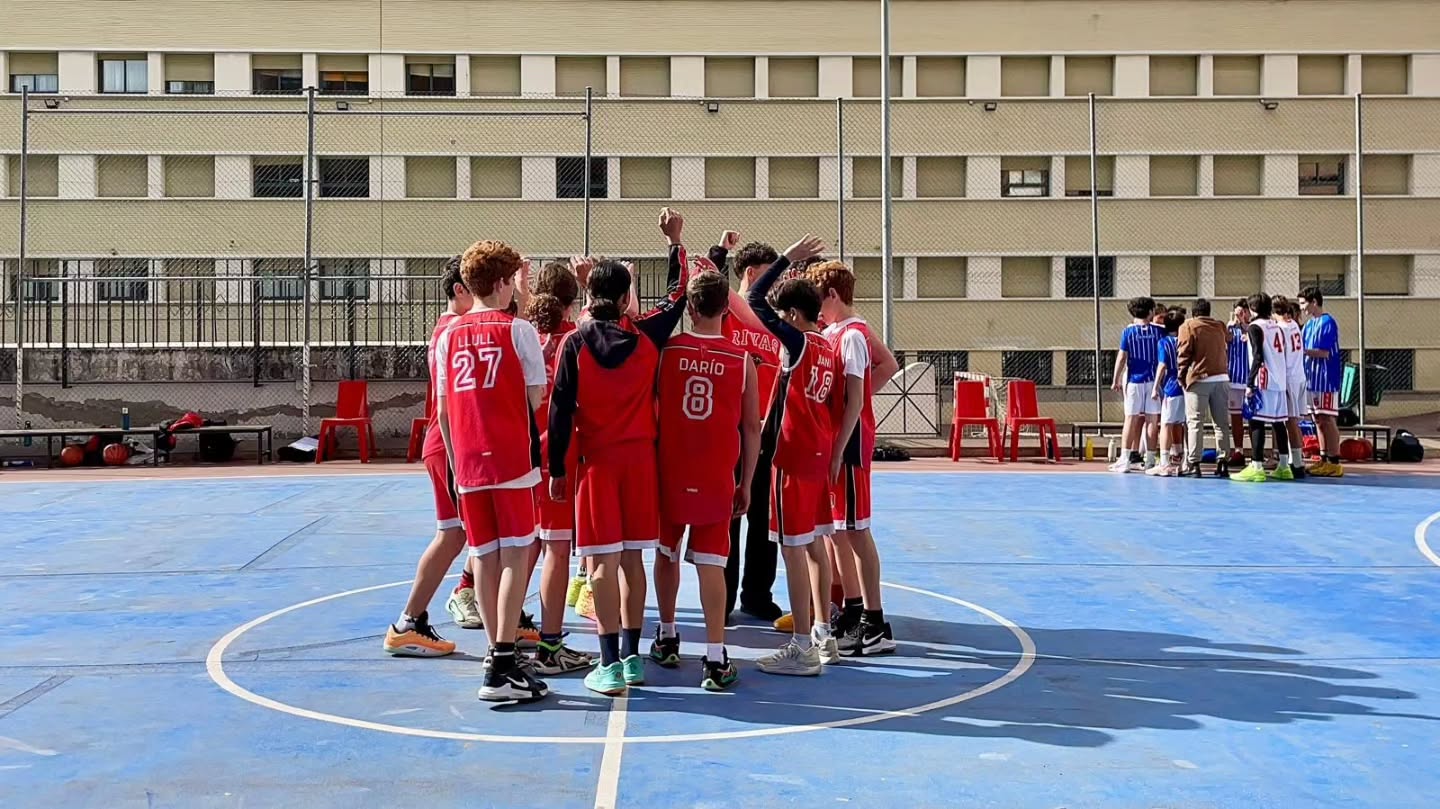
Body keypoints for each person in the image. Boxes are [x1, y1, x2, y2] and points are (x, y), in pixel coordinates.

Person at [548, 209, 690, 697]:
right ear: (627, 295)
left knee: (601, 563)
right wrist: (675, 243)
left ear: (588, 296)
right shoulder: (646, 334)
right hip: (641, 464)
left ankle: (607, 660)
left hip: (598, 464)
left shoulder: (574, 343)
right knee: (633, 561)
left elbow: (560, 410)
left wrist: (556, 468)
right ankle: (632, 657)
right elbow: (678, 295)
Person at [434, 239, 550, 701]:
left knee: (483, 556)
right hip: (511, 458)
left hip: (466, 460)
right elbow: (536, 397)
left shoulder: (448, 335)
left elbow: (443, 410)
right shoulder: (516, 330)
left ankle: (493, 654)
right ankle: (504, 661)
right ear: (502, 283)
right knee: (517, 554)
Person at [651, 270, 762, 692]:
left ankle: (666, 634)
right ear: (726, 311)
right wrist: (747, 481)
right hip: (717, 474)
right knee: (712, 563)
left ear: (691, 309)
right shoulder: (742, 360)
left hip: (671, 470)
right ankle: (715, 657)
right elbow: (751, 428)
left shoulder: (668, 350)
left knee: (667, 552)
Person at [746, 234, 838, 675]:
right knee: (817, 544)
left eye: (784, 316)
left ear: (794, 316)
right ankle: (823, 632)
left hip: (794, 458)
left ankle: (802, 646)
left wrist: (786, 259)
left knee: (794, 549)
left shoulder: (799, 343)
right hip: (818, 455)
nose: (777, 321)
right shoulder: (827, 347)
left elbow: (755, 297)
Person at [384, 257, 477, 657]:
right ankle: (412, 620)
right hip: (452, 443)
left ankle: (412, 620)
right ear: (460, 290)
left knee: (457, 534)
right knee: (471, 537)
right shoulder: (457, 328)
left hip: (447, 442)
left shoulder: (448, 327)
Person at [808, 260, 901, 656]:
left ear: (832, 294)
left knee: (856, 530)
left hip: (846, 445)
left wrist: (846, 432)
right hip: (836, 440)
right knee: (839, 531)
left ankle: (874, 621)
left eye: (817, 298)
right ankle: (854, 608)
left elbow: (857, 394)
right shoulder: (833, 332)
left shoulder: (852, 336)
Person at [709, 238, 787, 623]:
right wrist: (719, 253)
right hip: (730, 429)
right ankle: (720, 598)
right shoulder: (730, 310)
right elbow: (707, 280)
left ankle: (757, 593)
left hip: (766, 430)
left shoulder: (772, 320)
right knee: (729, 514)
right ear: (753, 274)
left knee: (762, 516)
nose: (778, 284)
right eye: (772, 276)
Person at [522, 290, 595, 676]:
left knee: (523, 548)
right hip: (559, 455)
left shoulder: (523, 340)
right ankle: (550, 646)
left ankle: (508, 633)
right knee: (556, 548)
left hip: (523, 454)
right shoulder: (574, 340)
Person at [1231, 293, 1294, 483]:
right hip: (1279, 380)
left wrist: (1250, 383)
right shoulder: (1277, 326)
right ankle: (1284, 466)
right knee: (1278, 423)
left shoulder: (1255, 327)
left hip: (1263, 381)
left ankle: (1256, 466)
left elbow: (1258, 356)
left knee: (1256, 422)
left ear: (1253, 309)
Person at [1176, 297, 1234, 478]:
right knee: (1221, 423)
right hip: (1222, 378)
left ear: (1194, 312)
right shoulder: (1219, 326)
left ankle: (1194, 463)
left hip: (1199, 379)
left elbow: (1183, 353)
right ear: (1209, 311)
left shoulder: (1188, 326)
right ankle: (1223, 461)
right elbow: (1230, 339)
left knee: (1195, 422)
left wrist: (1181, 376)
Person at [1109, 296, 1162, 472]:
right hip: (1154, 381)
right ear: (1150, 312)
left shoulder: (1128, 332)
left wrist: (1116, 379)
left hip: (1134, 381)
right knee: (1152, 420)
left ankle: (1125, 459)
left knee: (1130, 418)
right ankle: (1151, 459)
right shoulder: (1159, 332)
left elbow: (1122, 357)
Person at [1299, 286, 1344, 477]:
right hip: (1311, 380)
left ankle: (1335, 461)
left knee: (1327, 418)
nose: (1301, 308)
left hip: (1325, 379)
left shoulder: (1328, 322)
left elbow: (1324, 352)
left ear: (1314, 302)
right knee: (1318, 419)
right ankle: (1323, 458)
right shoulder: (1309, 325)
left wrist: (1303, 352)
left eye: (1303, 303)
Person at [1148, 306, 1187, 477]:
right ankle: (1187, 459)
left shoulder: (1164, 342)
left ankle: (1164, 462)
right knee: (1186, 423)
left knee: (1166, 424)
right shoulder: (1186, 340)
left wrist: (1156, 387)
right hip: (1187, 387)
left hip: (1171, 387)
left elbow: (1162, 365)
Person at [1273, 296, 1308, 479]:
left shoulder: (1281, 329)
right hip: (1299, 375)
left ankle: (1297, 463)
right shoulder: (1294, 324)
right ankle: (1297, 459)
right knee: (1293, 422)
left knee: (1290, 421)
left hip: (1288, 377)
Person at [1226, 299, 1252, 461]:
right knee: (1236, 417)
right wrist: (1232, 326)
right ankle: (1239, 451)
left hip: (1251, 380)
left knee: (1253, 417)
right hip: (1234, 378)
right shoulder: (1230, 329)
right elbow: (1225, 342)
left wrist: (1245, 326)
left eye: (1243, 313)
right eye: (1237, 313)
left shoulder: (1256, 327)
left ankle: (1256, 451)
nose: (1240, 316)